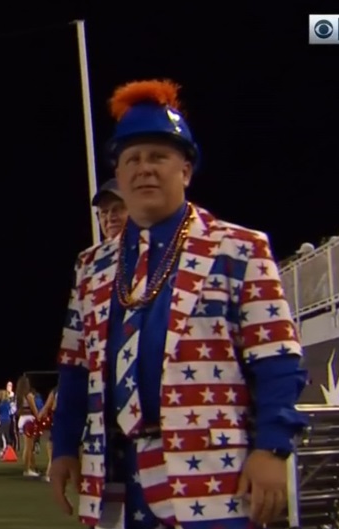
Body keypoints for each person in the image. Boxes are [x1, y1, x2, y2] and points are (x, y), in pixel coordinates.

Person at [48, 79, 307, 529]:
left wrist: (271, 447)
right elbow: (74, 368)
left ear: (185, 170)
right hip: (116, 476)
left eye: (157, 157)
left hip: (212, 471)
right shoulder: (91, 266)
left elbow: (277, 360)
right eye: (132, 159)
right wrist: (65, 446)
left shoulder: (239, 249)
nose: (144, 169)